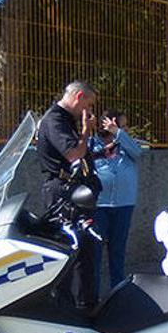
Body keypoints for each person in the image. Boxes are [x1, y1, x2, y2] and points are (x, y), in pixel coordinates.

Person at [37, 80, 101, 310]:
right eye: (89, 104)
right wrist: (85, 131)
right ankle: (70, 308)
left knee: (85, 251)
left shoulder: (66, 120)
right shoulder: (55, 119)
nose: (90, 111)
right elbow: (74, 154)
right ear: (79, 96)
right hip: (62, 196)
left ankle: (86, 305)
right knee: (70, 251)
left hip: (74, 192)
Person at [90, 110, 144, 290]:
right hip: (99, 206)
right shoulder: (92, 144)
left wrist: (119, 134)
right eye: (123, 125)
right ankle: (93, 295)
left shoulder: (126, 144)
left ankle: (117, 291)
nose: (126, 129)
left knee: (117, 251)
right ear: (109, 123)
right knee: (94, 252)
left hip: (124, 204)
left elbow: (138, 153)